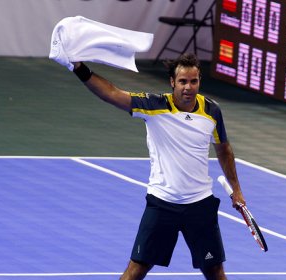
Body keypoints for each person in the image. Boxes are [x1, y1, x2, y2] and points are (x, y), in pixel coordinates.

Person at [71, 53, 245, 280]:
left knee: (214, 271)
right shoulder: (154, 106)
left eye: (194, 81)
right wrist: (78, 67)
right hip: (162, 204)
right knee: (137, 268)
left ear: (199, 81)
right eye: (182, 81)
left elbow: (224, 149)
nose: (188, 87)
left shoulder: (212, 111)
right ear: (172, 82)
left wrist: (237, 189)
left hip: (199, 205)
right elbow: (111, 94)